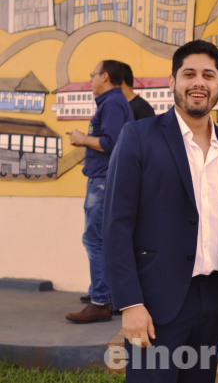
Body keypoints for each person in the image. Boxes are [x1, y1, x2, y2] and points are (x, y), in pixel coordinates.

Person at [102, 40, 218, 382]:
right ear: (172, 82)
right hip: (154, 302)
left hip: (213, 301)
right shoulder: (138, 136)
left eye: (208, 75)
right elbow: (115, 226)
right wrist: (129, 302)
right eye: (189, 74)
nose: (199, 82)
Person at [65, 60, 133, 323]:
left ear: (104, 76)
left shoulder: (113, 103)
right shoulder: (112, 103)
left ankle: (100, 301)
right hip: (103, 180)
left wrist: (82, 139)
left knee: (95, 240)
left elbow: (112, 143)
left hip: (103, 180)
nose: (91, 79)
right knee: (102, 240)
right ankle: (107, 298)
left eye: (93, 74)